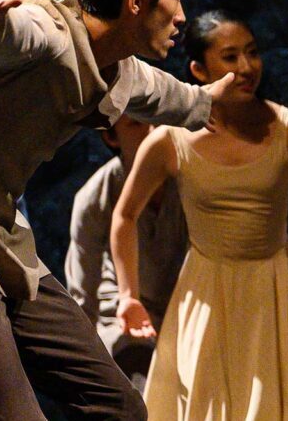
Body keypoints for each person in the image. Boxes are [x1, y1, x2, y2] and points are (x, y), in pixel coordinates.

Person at [0, 0, 234, 419]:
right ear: (137, 0)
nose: (181, 16)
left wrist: (214, 98)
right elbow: (19, 29)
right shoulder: (49, 30)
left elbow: (178, 98)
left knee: (121, 406)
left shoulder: (121, 70)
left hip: (0, 237)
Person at [112, 10, 288, 420]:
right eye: (230, 57)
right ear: (199, 70)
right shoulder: (170, 140)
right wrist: (129, 294)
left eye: (252, 53)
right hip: (203, 289)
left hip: (266, 290)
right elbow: (125, 215)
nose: (247, 67)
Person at [67, 115, 187, 389]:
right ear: (111, 137)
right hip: (120, 318)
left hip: (178, 312)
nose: (152, 130)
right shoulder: (95, 197)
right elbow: (83, 296)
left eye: (157, 120)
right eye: (137, 124)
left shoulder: (188, 184)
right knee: (133, 370)